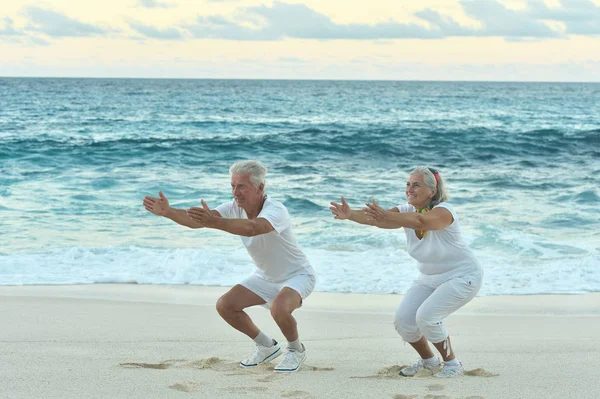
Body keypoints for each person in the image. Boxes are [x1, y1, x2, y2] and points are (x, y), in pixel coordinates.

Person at [143, 160, 316, 373]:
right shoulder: (233, 208)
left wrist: (214, 222)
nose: (236, 192)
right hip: (265, 277)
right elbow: (196, 221)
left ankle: (296, 350)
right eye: (233, 186)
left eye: (241, 186)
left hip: (297, 275)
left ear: (260, 187)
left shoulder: (276, 210)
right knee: (225, 305)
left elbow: (254, 228)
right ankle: (266, 346)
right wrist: (168, 211)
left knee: (279, 309)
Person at [329, 166, 483, 378]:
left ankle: (453, 364)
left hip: (463, 276)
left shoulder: (444, 212)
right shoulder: (406, 211)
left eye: (416, 185)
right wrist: (350, 215)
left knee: (427, 317)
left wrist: (387, 216)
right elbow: (378, 219)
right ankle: (429, 362)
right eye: (408, 184)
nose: (410, 189)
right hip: (429, 278)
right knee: (404, 322)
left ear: (432, 190)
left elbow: (421, 221)